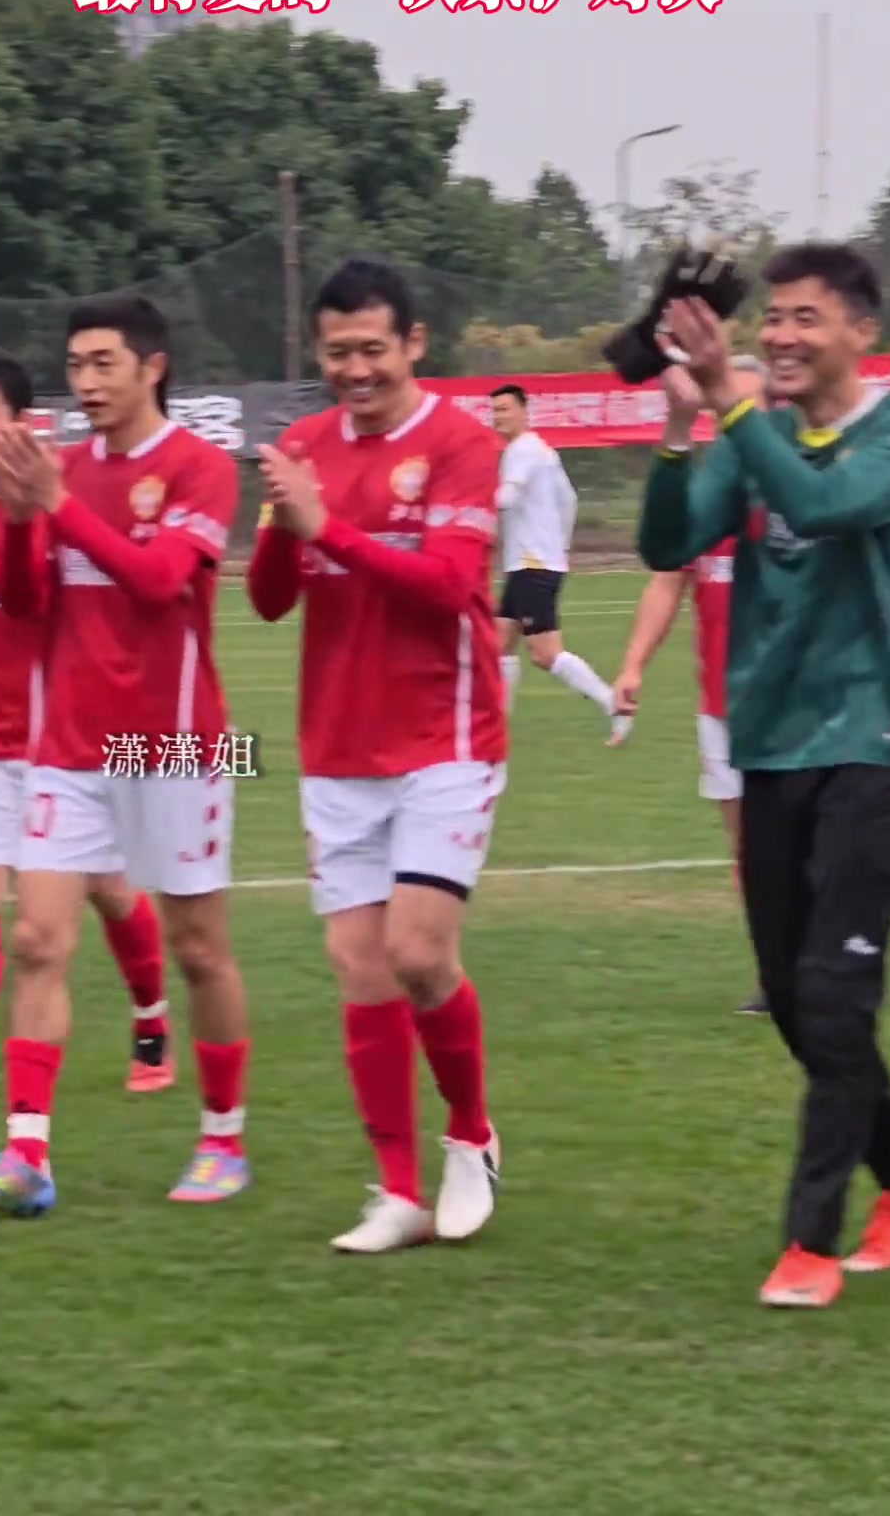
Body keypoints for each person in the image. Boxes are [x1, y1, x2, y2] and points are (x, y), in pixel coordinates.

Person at [639, 242, 890, 1309]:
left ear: (862, 331)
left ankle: (809, 1243)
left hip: (879, 746)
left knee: (835, 990)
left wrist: (733, 404)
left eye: (806, 318)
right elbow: (667, 543)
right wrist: (679, 432)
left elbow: (822, 503)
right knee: (798, 1002)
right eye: (773, 318)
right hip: (769, 746)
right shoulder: (749, 428)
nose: (780, 336)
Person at [0, 299, 250, 1215]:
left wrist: (55, 506)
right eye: (76, 365)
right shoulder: (62, 470)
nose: (86, 381)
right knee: (37, 940)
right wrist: (19, 522)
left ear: (152, 366)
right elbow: (28, 600)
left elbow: (158, 583)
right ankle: (25, 1157)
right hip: (68, 744)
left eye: (104, 362)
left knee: (200, 950)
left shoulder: (200, 468)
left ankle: (223, 1137)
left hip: (174, 743)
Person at [248, 257, 505, 1254]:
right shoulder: (304, 447)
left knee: (419, 955)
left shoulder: (461, 443)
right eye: (336, 352)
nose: (354, 369)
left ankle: (470, 1135)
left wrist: (329, 526)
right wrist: (284, 523)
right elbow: (270, 599)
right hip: (336, 746)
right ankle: (396, 1191)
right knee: (359, 969)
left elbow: (447, 585)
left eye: (372, 349)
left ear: (413, 344)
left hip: (444, 736)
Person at [0, 349, 174, 1116]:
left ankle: (152, 1020)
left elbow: (37, 604)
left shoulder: (62, 503)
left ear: (22, 422)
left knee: (111, 892)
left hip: (68, 740)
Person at [613, 358, 769, 1016]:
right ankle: (777, 972)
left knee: (808, 840)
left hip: (797, 703)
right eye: (726, 406)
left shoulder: (799, 491)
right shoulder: (707, 497)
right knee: (750, 848)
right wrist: (633, 665)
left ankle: (823, 961)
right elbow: (667, 580)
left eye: (750, 406)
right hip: (721, 705)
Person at [490, 383, 629, 743]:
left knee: (544, 653)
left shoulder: (522, 450)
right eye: (495, 411)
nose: (498, 417)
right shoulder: (542, 451)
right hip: (532, 562)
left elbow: (506, 498)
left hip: (532, 564)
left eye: (505, 409)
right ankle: (495, 729)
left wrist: (471, 504)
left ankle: (613, 704)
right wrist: (559, 547)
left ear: (525, 412)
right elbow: (570, 501)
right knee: (498, 644)